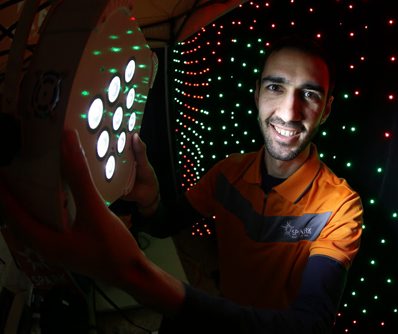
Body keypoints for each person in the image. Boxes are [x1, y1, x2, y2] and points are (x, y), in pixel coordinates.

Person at [0, 36, 363, 333]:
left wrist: (136, 276)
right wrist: (151, 198)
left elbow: (308, 326)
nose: (288, 112)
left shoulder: (341, 206)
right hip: (215, 313)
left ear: (327, 110)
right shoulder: (229, 172)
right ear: (257, 94)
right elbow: (167, 223)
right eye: (276, 87)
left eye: (310, 95)